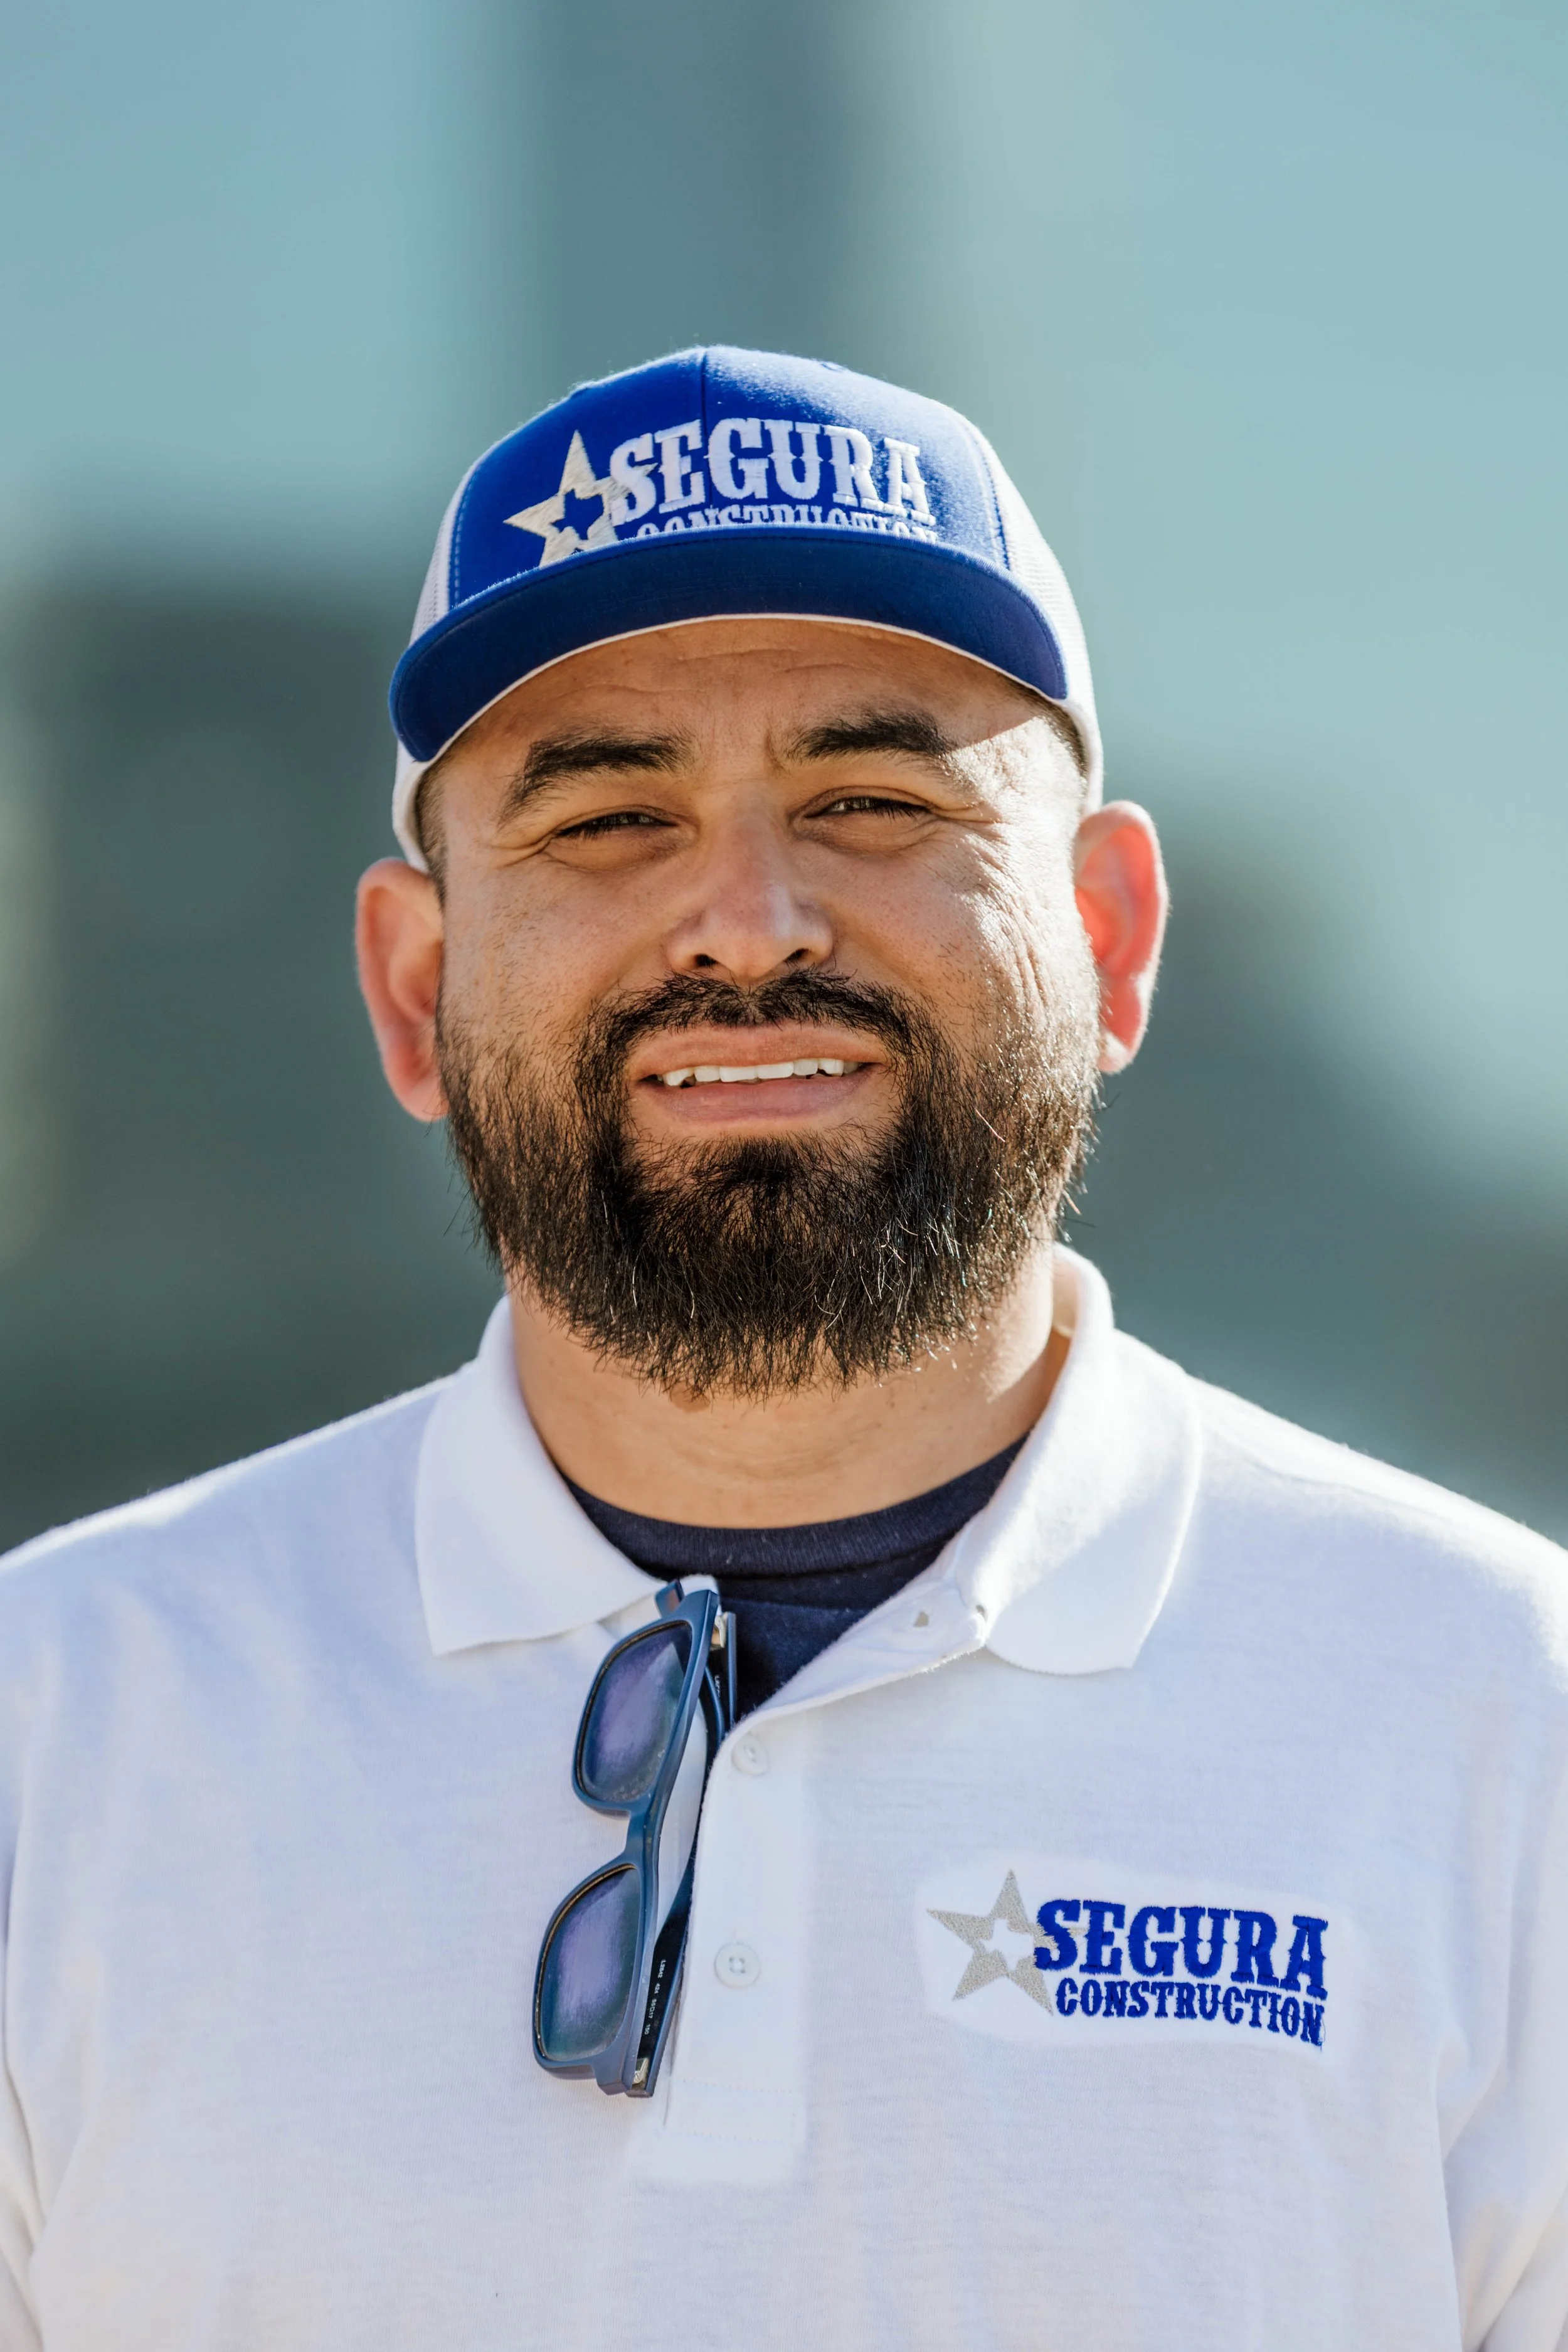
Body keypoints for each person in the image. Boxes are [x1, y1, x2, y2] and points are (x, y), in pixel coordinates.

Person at [0, 346, 1564, 2351]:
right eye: (606, 820)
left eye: (869, 798)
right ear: (413, 988)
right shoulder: (60, 1737)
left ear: (1107, 936)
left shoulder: (1496, 1714)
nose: (743, 921)